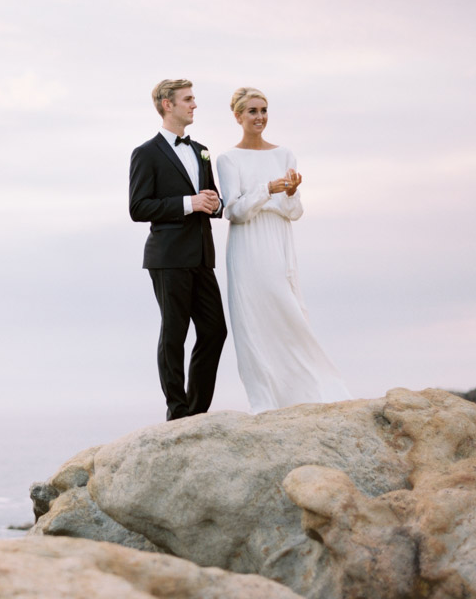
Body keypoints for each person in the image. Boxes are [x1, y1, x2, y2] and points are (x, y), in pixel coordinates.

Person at [215, 87, 349, 414]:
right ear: (238, 116)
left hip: (279, 240)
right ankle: (265, 400)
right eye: (252, 111)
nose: (259, 117)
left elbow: (294, 211)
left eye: (263, 110)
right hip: (249, 246)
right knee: (254, 320)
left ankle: (315, 389)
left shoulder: (285, 154)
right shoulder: (228, 159)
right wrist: (267, 189)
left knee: (291, 312)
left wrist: (289, 193)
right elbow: (233, 210)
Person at [129, 79, 227, 421]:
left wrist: (215, 203)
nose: (194, 105)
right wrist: (190, 202)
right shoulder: (146, 153)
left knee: (215, 330)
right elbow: (138, 207)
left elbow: (211, 199)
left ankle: (197, 409)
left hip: (201, 255)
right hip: (168, 257)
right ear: (167, 104)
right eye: (188, 100)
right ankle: (177, 410)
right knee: (175, 333)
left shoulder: (201, 149)